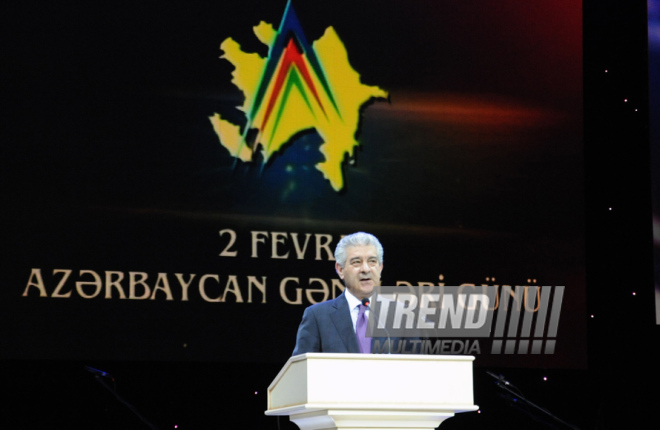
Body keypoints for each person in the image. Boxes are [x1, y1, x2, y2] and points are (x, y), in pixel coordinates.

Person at [292, 232, 384, 355]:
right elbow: (302, 369)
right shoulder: (317, 316)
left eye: (372, 261)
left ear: (380, 267)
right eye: (356, 262)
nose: (366, 269)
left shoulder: (402, 314)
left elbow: (417, 367)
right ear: (340, 269)